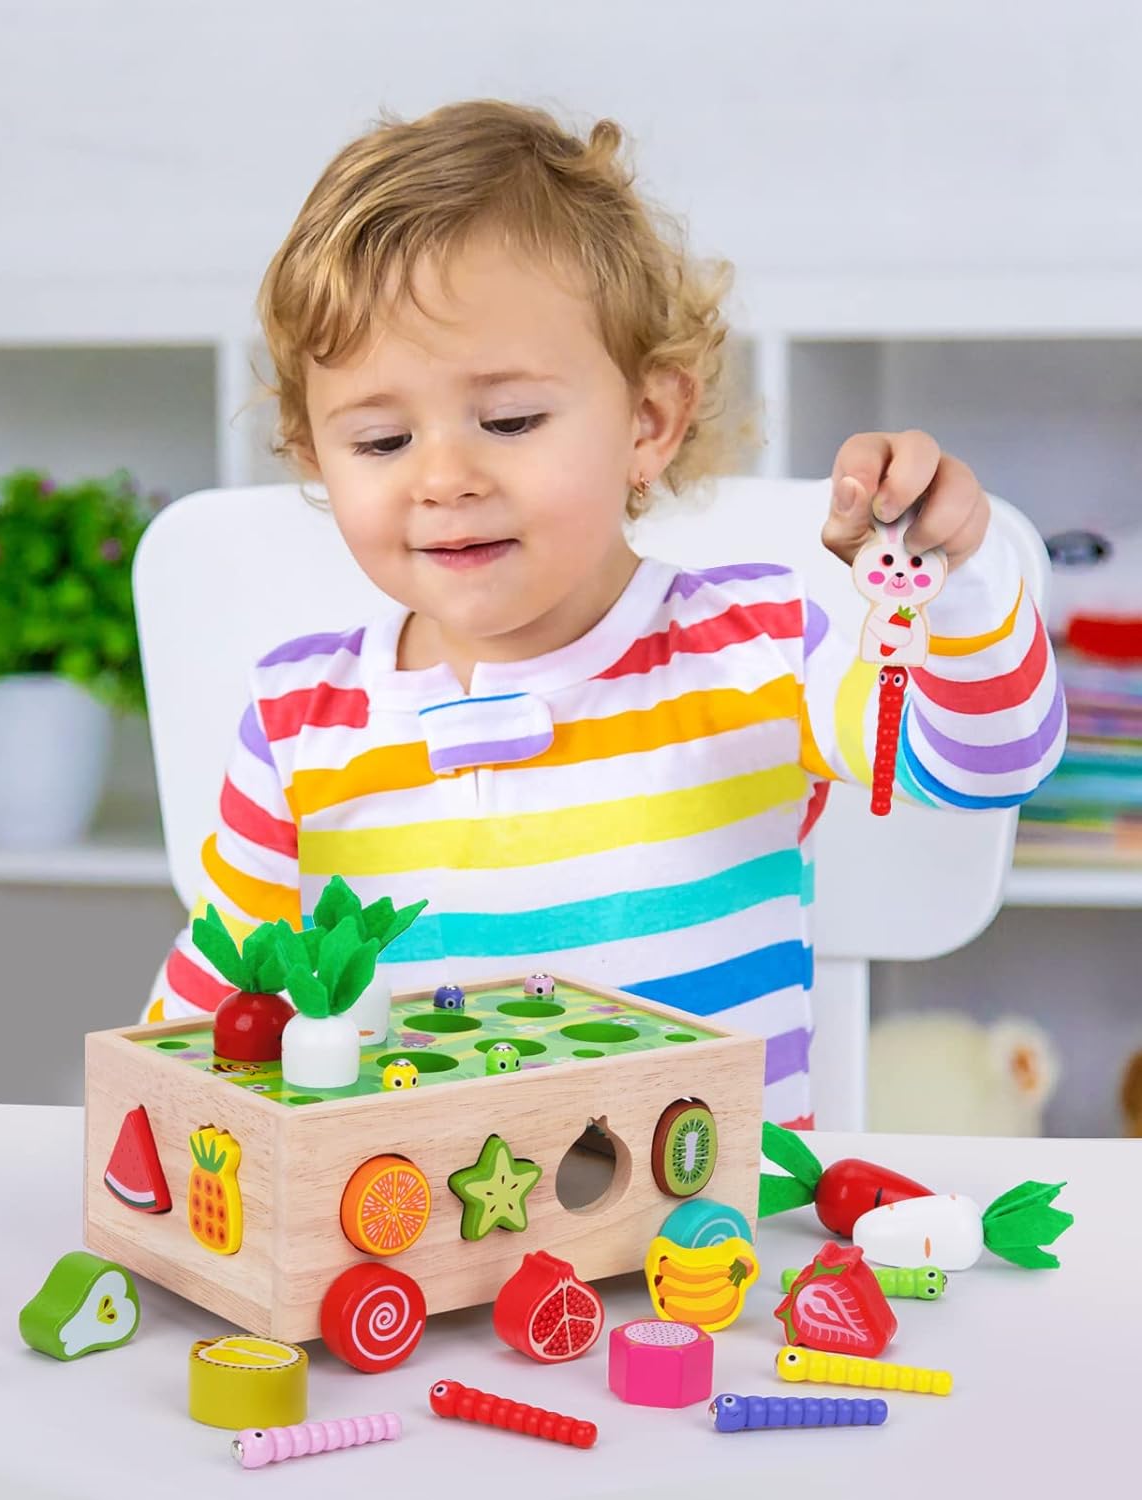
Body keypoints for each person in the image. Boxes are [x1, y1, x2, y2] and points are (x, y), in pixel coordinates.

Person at [145, 99, 1065, 1126]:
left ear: (650, 422)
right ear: (314, 453)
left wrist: (959, 573)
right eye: (380, 443)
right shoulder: (296, 719)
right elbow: (219, 1013)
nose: (443, 478)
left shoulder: (751, 654)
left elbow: (990, 760)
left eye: (510, 420)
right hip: (422, 1254)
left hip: (711, 1261)